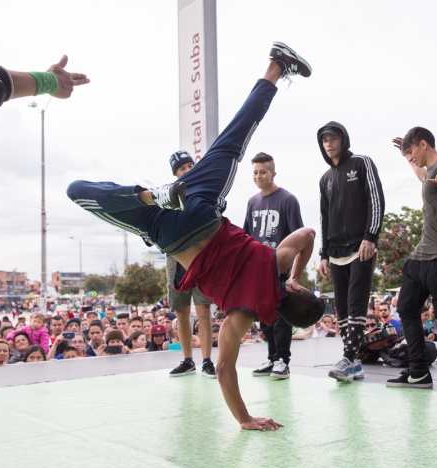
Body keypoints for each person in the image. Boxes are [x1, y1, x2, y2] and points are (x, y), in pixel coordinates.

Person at [67, 43, 324, 430]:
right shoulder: (244, 313)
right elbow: (223, 368)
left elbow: (307, 233)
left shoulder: (276, 261)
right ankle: (147, 197)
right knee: (78, 191)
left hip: (202, 208)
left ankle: (276, 67)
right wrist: (245, 419)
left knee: (237, 135)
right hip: (170, 233)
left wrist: (296, 272)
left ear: (298, 291)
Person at [386, 127, 437, 390]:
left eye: (412, 152)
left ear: (423, 144)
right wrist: (407, 158)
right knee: (407, 308)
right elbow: (423, 175)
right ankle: (419, 371)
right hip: (423, 253)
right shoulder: (431, 172)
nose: (411, 157)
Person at [317, 121, 385, 383]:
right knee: (342, 308)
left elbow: (375, 198)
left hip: (361, 247)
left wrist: (371, 236)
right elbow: (324, 218)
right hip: (336, 251)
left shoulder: (361, 163)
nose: (329, 144)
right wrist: (323, 254)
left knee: (357, 302)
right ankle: (354, 363)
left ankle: (347, 357)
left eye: (333, 138)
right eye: (324, 141)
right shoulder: (325, 179)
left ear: (343, 139)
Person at [243, 152, 304, 380]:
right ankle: (271, 358)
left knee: (281, 319)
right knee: (264, 318)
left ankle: (283, 361)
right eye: (255, 172)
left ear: (273, 173)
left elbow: (300, 239)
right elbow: (247, 237)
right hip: (258, 271)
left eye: (263, 172)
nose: (259, 176)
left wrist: (294, 275)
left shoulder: (288, 200)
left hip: (280, 269)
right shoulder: (252, 202)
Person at [163, 151, 217, 378]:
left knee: (203, 309)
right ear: (175, 173)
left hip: (201, 255)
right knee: (181, 311)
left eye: (189, 166)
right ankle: (187, 360)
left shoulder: (205, 192)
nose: (187, 170)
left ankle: (206, 360)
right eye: (182, 168)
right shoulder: (166, 196)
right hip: (175, 257)